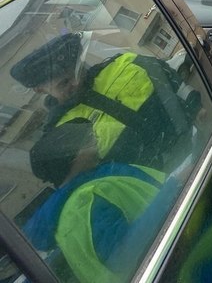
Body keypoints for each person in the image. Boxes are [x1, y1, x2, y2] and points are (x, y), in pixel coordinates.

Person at [11, 33, 200, 169]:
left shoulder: (126, 63)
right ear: (40, 89)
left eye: (79, 71)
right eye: (65, 82)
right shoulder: (58, 136)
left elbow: (178, 87)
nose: (77, 83)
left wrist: (199, 110)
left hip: (203, 144)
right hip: (166, 195)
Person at [23, 121, 180, 283]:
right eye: (90, 139)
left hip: (173, 254)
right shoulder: (82, 203)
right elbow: (125, 257)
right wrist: (173, 190)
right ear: (75, 155)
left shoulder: (99, 178)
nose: (97, 141)